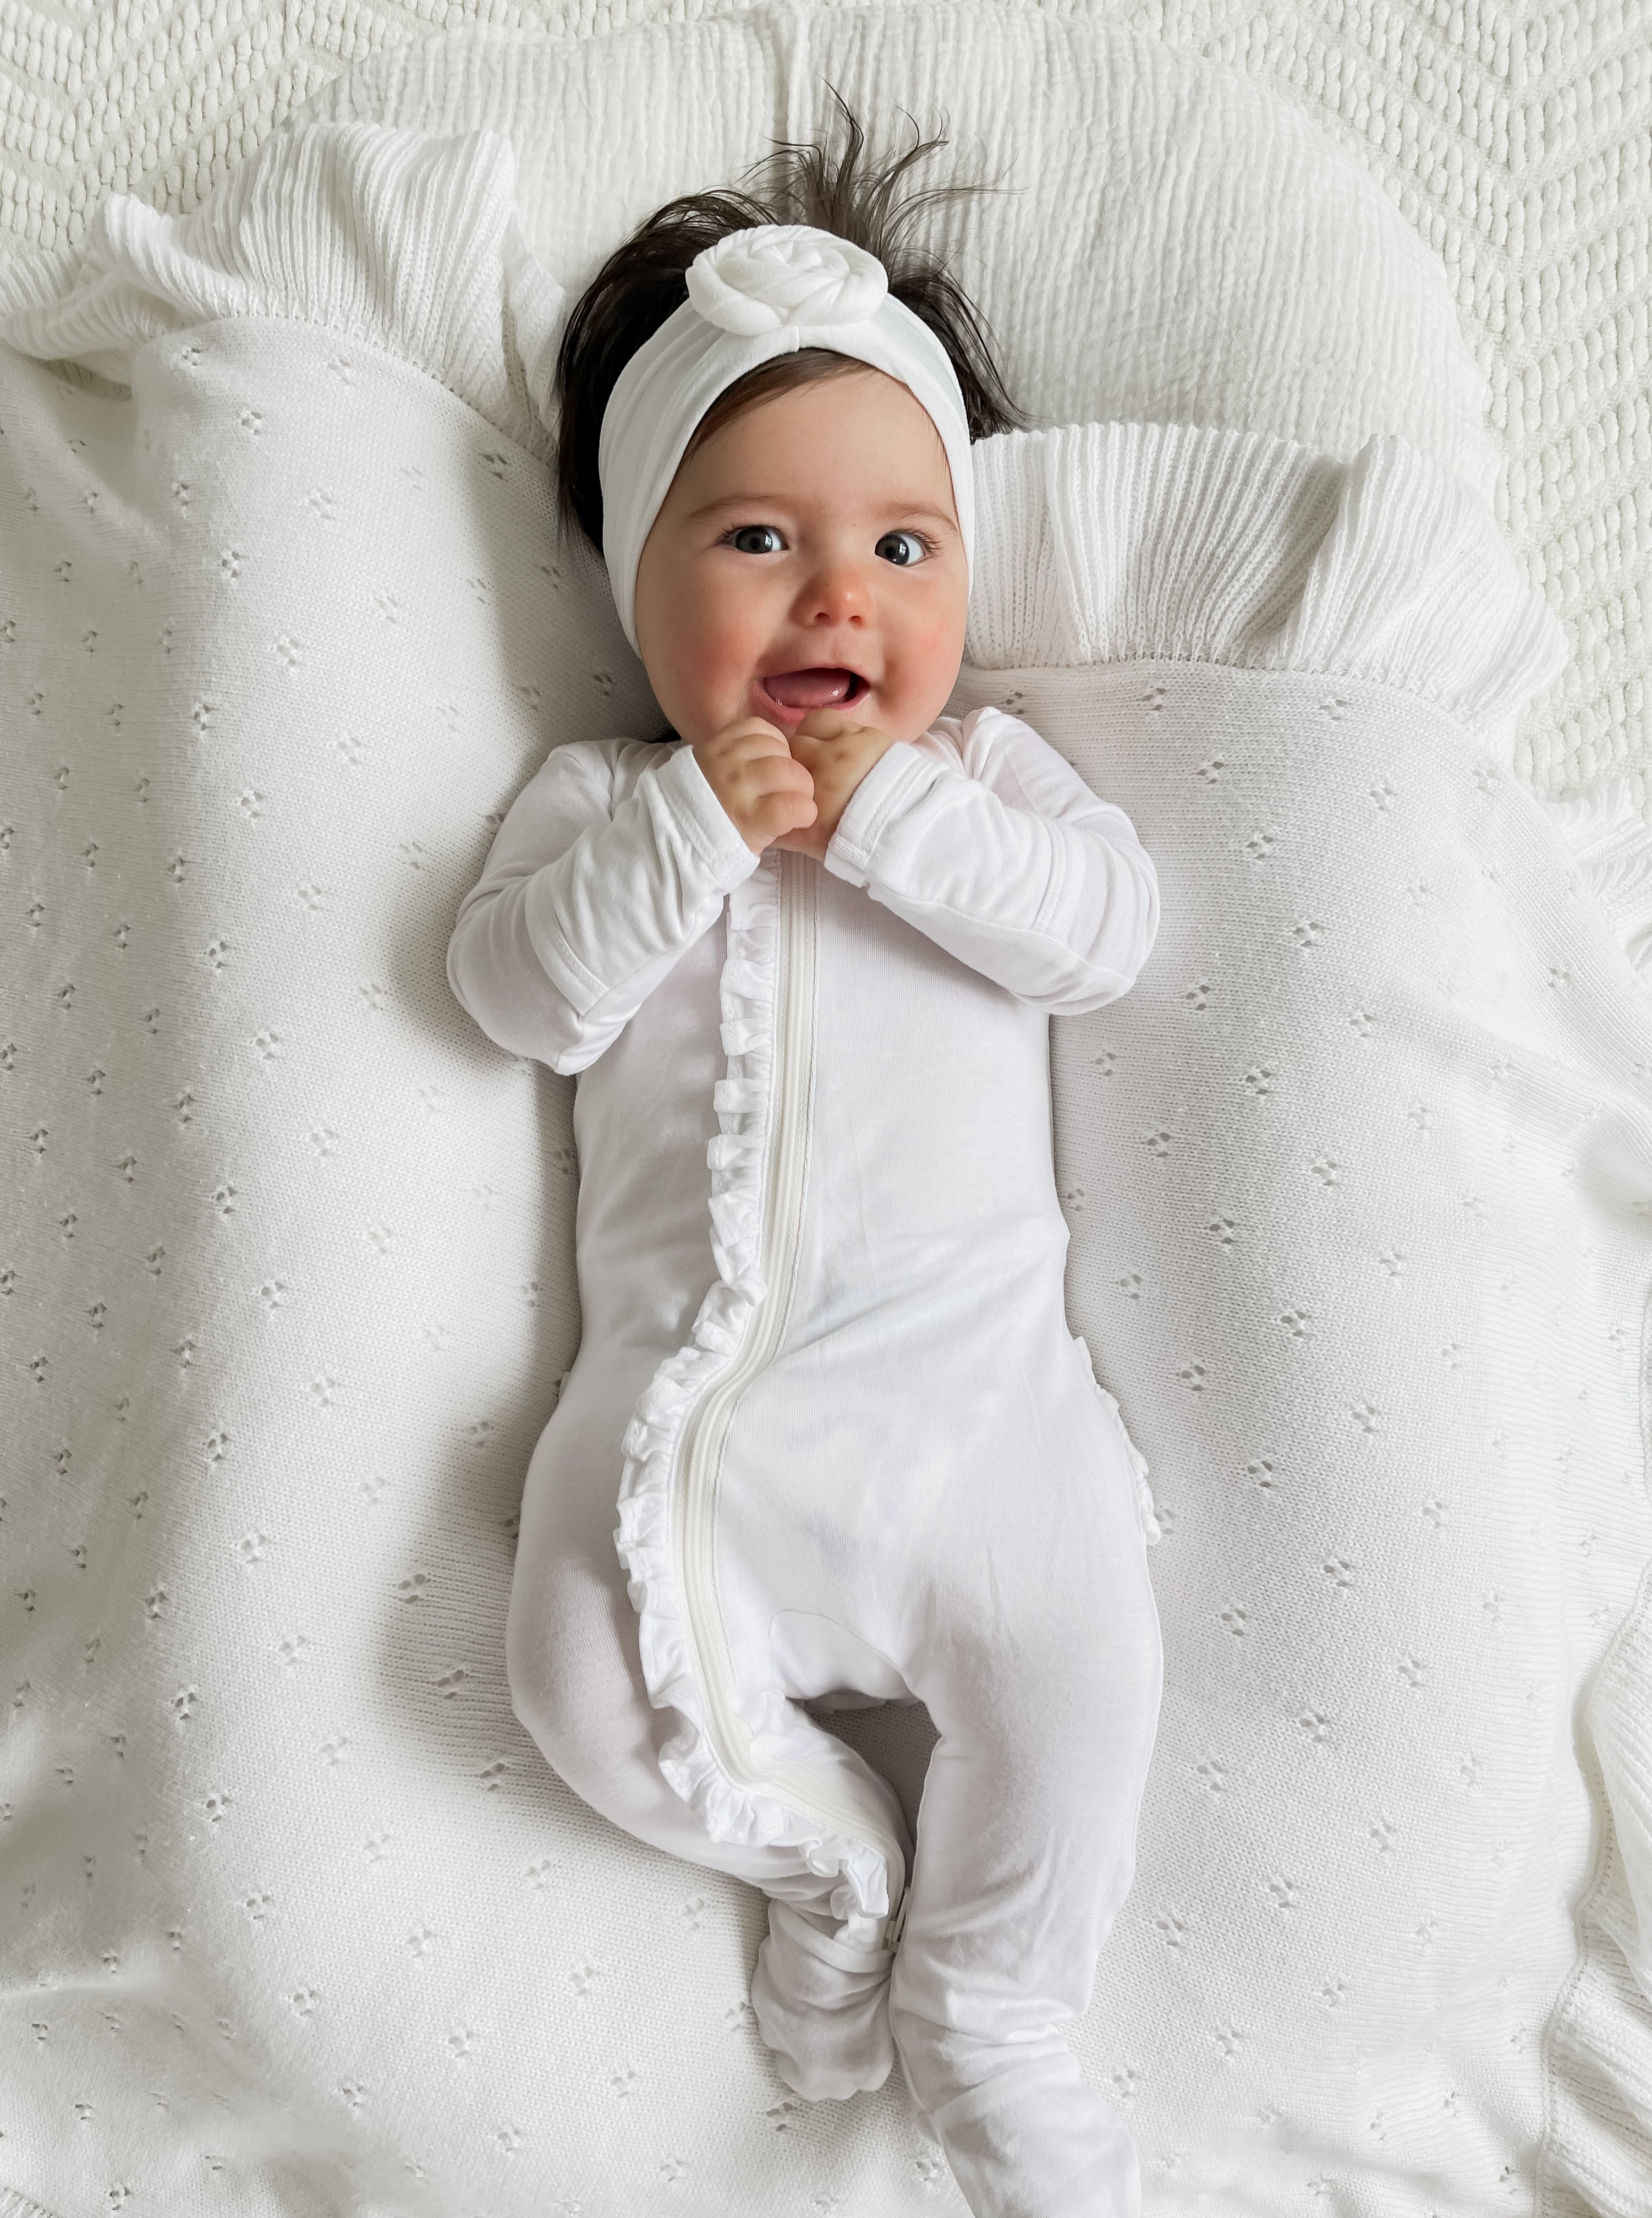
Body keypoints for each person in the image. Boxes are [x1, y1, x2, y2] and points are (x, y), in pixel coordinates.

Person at [445, 93, 1165, 2218]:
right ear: (634, 569)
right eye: (755, 539)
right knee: (575, 1677)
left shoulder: (990, 784)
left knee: (1083, 1689)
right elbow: (514, 997)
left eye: (898, 546)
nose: (835, 595)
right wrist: (701, 825)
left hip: (985, 1426)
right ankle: (825, 1854)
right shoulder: (599, 808)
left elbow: (1107, 940)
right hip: (699, 1445)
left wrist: (898, 821)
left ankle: (993, 2008)